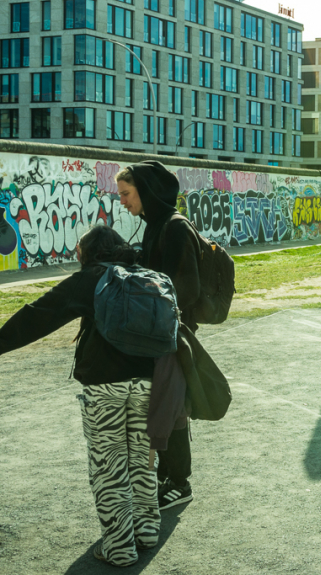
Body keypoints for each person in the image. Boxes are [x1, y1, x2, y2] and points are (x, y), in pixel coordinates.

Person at [0, 225, 159, 567]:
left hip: (105, 385)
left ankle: (119, 546)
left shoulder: (91, 279)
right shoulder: (146, 274)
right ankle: (146, 531)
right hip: (150, 380)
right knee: (143, 457)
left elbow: (39, 315)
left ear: (89, 253)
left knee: (110, 464)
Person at [115, 161, 201, 511]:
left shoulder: (174, 227)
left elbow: (188, 288)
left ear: (145, 191)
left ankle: (179, 482)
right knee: (165, 406)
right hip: (158, 332)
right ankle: (171, 475)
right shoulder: (155, 225)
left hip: (170, 333)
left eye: (126, 194)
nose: (122, 201)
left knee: (171, 408)